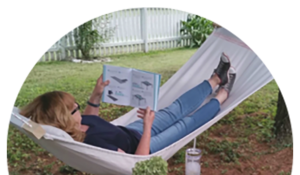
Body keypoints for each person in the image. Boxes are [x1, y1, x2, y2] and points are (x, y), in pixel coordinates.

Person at [20, 53, 236, 156]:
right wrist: (149, 127)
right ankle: (222, 96)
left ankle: (217, 78)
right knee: (185, 125)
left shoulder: (77, 124)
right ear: (64, 119)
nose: (78, 106)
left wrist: (95, 96)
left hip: (132, 129)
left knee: (175, 109)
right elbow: (136, 160)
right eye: (74, 107)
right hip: (145, 145)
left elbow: (91, 118)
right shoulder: (92, 145)